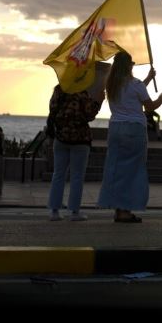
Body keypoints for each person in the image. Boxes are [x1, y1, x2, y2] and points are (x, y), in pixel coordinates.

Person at [97, 51, 162, 223]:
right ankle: (125, 212)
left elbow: (131, 93)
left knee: (116, 169)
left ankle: (117, 208)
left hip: (115, 129)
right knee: (132, 170)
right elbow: (150, 106)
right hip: (134, 130)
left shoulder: (111, 84)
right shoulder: (135, 84)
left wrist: (148, 79)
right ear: (129, 65)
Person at [46, 63, 106, 221]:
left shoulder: (58, 90)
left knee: (58, 174)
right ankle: (74, 212)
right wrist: (99, 101)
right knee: (77, 176)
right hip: (80, 140)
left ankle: (54, 211)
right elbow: (89, 115)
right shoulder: (81, 93)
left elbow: (52, 111)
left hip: (60, 138)